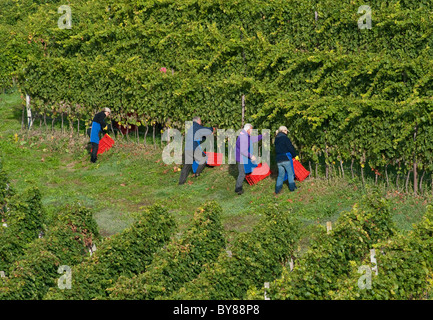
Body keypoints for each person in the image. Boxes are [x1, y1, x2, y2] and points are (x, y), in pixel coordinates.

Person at [178, 116, 215, 185]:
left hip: (187, 150)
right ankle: (197, 173)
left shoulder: (191, 128)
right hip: (193, 149)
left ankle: (181, 183)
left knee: (186, 166)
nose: (200, 122)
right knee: (204, 158)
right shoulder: (197, 126)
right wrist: (212, 129)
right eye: (200, 121)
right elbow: (206, 130)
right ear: (198, 121)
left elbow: (198, 137)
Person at [234, 123, 263, 195]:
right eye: (251, 130)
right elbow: (243, 151)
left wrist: (262, 136)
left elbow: (253, 139)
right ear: (248, 130)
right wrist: (251, 156)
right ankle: (238, 189)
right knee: (242, 173)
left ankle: (251, 181)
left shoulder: (245, 135)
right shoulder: (244, 137)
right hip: (241, 158)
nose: (252, 132)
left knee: (246, 170)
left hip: (242, 157)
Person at [274, 126, 298, 194]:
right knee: (290, 174)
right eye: (286, 131)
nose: (287, 132)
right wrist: (295, 155)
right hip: (285, 158)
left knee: (280, 175)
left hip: (278, 159)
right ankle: (292, 188)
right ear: (284, 131)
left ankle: (277, 190)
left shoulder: (276, 139)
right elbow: (290, 148)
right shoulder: (285, 138)